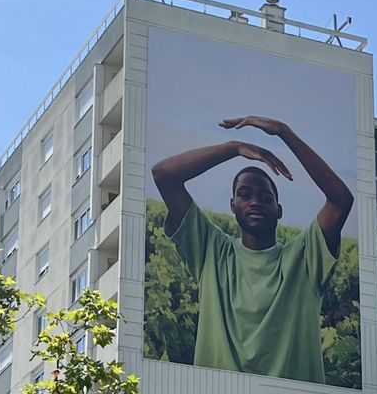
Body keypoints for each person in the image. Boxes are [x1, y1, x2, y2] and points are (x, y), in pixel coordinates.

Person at [151, 116, 354, 384]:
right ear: (232, 205)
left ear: (279, 211)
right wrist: (234, 148)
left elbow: (341, 200)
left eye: (266, 197)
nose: (256, 201)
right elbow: (164, 175)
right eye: (245, 194)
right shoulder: (212, 251)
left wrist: (284, 132)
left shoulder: (304, 258)